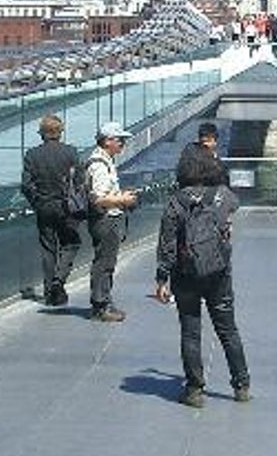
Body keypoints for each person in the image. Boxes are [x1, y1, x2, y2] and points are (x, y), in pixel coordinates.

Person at [154, 153, 250, 407]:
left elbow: (167, 242)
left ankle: (195, 390)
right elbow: (232, 209)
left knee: (190, 331)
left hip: (185, 274)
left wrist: (162, 278)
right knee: (228, 329)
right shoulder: (222, 195)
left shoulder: (177, 200)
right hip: (218, 272)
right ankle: (241, 385)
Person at [21, 114, 82, 306]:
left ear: (42, 134)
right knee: (71, 243)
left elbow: (26, 185)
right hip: (66, 207)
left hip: (44, 207)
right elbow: (80, 182)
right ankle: (59, 280)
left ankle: (50, 294)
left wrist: (37, 203)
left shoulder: (32, 154)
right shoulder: (71, 152)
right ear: (60, 132)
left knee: (48, 249)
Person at [86, 121, 138, 321]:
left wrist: (119, 196)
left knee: (106, 262)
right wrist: (122, 200)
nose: (123, 144)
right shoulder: (99, 165)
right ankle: (101, 305)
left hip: (106, 219)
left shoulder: (105, 160)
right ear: (108, 141)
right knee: (105, 263)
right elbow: (98, 198)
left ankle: (104, 302)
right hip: (105, 220)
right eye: (120, 140)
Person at [176, 121, 229, 187]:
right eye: (204, 142)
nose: (206, 145)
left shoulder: (191, 151)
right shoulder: (193, 153)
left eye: (208, 141)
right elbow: (191, 175)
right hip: (199, 191)